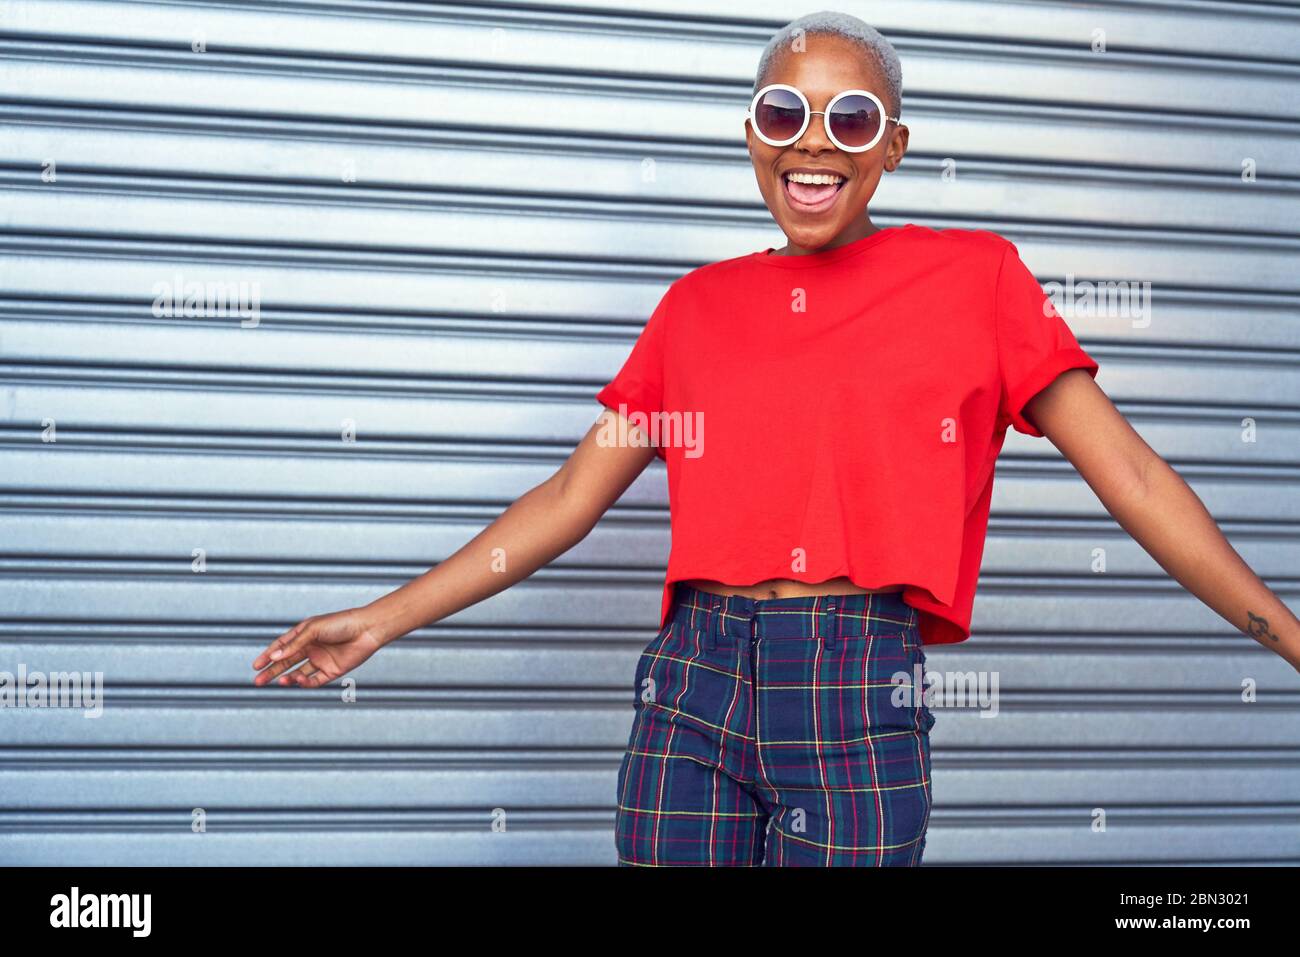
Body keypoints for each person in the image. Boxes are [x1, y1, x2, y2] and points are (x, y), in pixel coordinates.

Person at [251, 11, 1300, 866]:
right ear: (751, 131)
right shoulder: (695, 308)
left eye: (851, 120)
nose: (812, 142)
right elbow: (570, 499)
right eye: (783, 111)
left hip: (855, 684)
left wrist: (1288, 638)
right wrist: (384, 620)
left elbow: (1132, 476)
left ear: (892, 147)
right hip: (691, 684)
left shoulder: (976, 280)